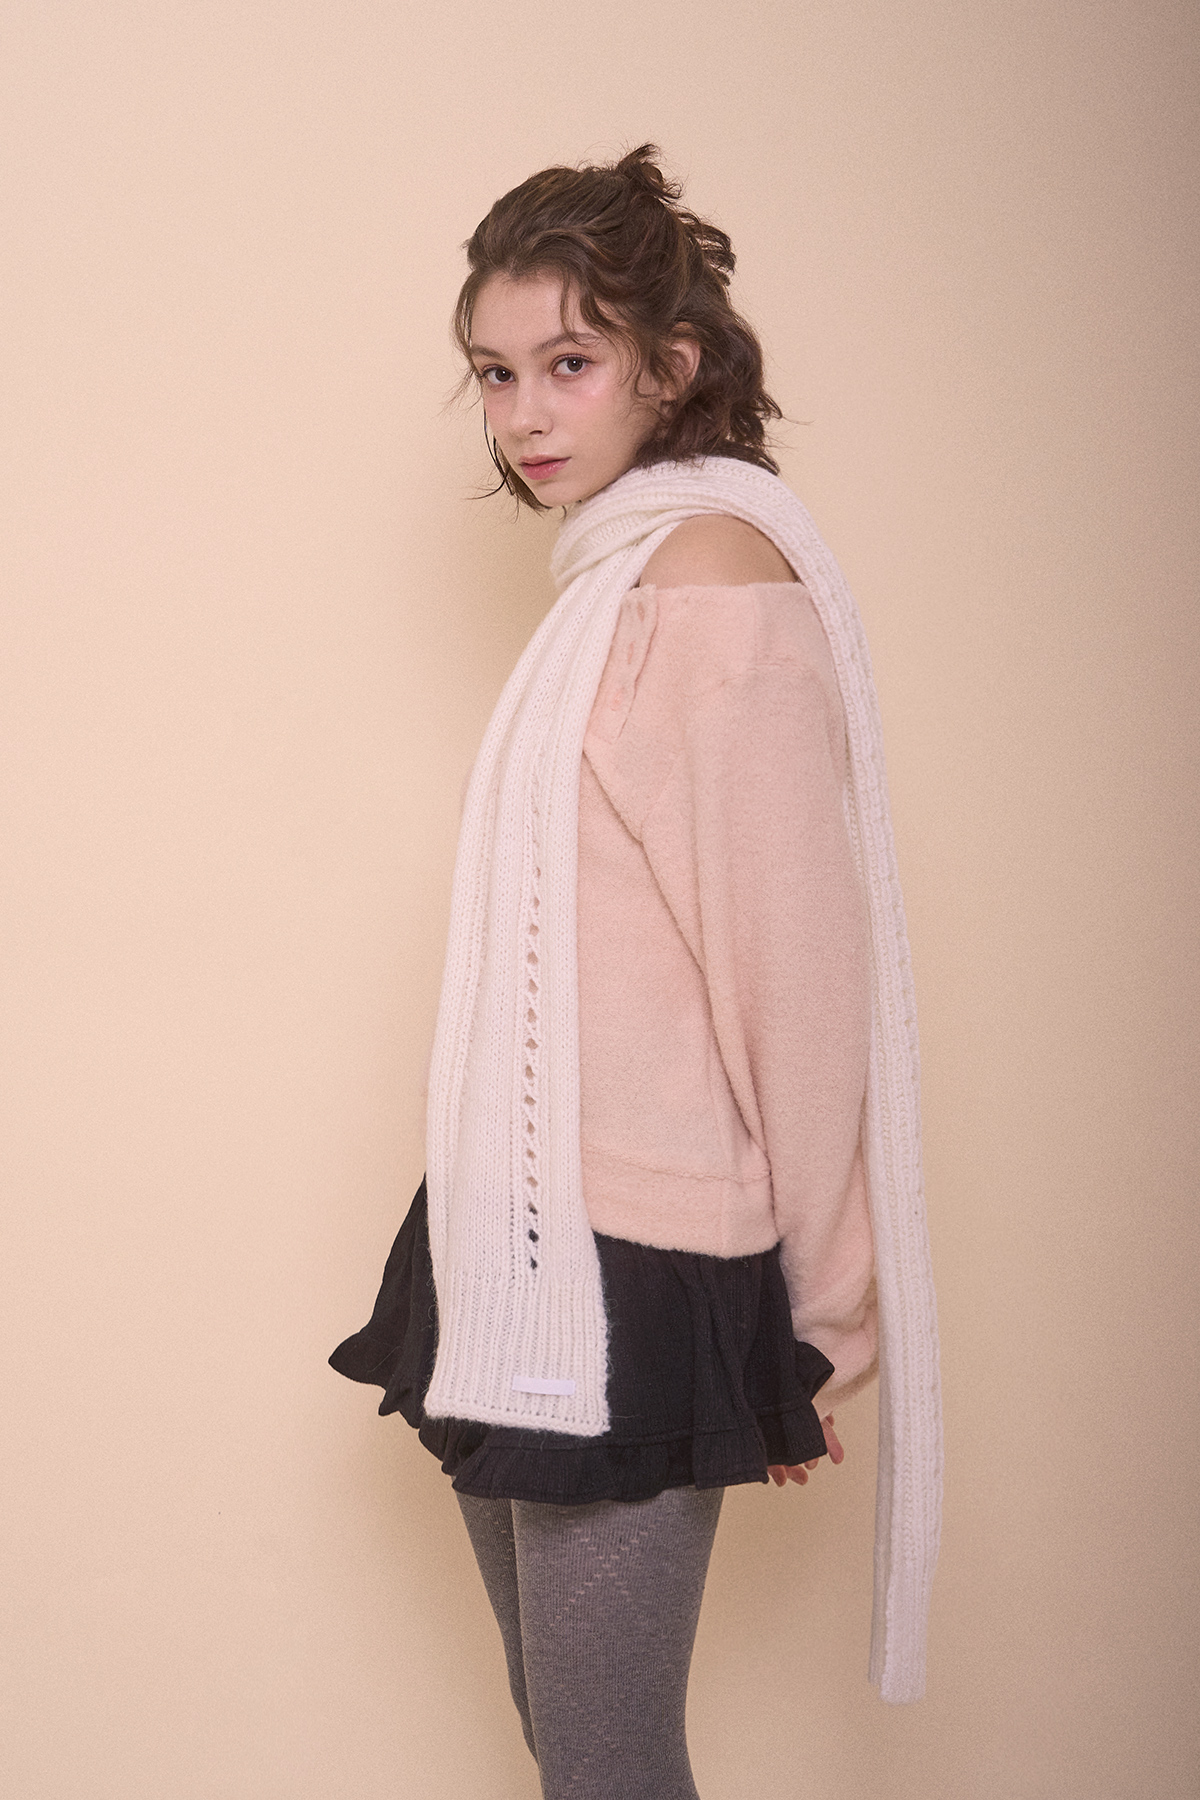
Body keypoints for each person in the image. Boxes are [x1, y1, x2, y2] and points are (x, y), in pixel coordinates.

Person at [331, 144, 942, 1799]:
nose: (526, 414)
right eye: (495, 374)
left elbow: (794, 974)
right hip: (517, 1221)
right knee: (569, 1744)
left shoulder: (714, 594)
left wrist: (821, 1315)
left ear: (671, 366)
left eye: (570, 363)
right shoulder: (610, 585)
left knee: (603, 1764)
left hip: (638, 1265)